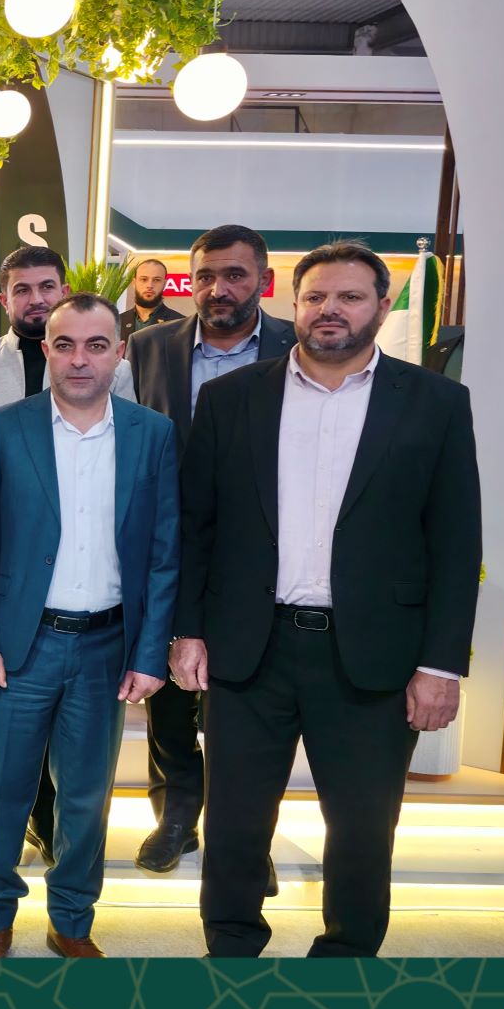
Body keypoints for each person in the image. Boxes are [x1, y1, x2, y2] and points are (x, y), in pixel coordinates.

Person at [172, 241, 480, 958]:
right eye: (315, 297)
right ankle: (231, 950)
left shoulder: (435, 402)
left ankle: (345, 961)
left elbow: (456, 542)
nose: (329, 310)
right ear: (293, 303)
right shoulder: (231, 398)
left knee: (365, 827)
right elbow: (196, 526)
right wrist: (187, 630)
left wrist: (441, 664)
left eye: (349, 297)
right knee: (235, 823)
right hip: (251, 647)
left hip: (373, 655)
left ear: (381, 306)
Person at [0, 293, 178, 959]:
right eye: (65, 344)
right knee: (2, 793)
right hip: (19, 646)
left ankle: (72, 921)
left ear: (120, 353)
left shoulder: (152, 433)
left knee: (86, 798)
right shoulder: (3, 428)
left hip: (106, 648)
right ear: (46, 350)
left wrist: (150, 652)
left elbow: (164, 550)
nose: (79, 359)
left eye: (95, 345)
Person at [124, 224, 297, 876]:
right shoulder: (149, 346)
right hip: (169, 544)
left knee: (250, 704)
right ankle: (175, 817)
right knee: (169, 690)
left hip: (264, 552)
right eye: (205, 276)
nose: (218, 288)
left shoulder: (296, 344)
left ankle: (246, 838)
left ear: (264, 281)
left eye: (235, 275)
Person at [0, 245, 133, 415]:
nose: (36, 300)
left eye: (46, 287)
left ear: (64, 293)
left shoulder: (115, 369)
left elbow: (128, 427)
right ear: (4, 301)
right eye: (22, 290)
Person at [119, 258, 183, 339]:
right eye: (144, 279)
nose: (149, 285)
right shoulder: (117, 322)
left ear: (164, 284)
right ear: (134, 283)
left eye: (156, 280)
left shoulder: (180, 324)